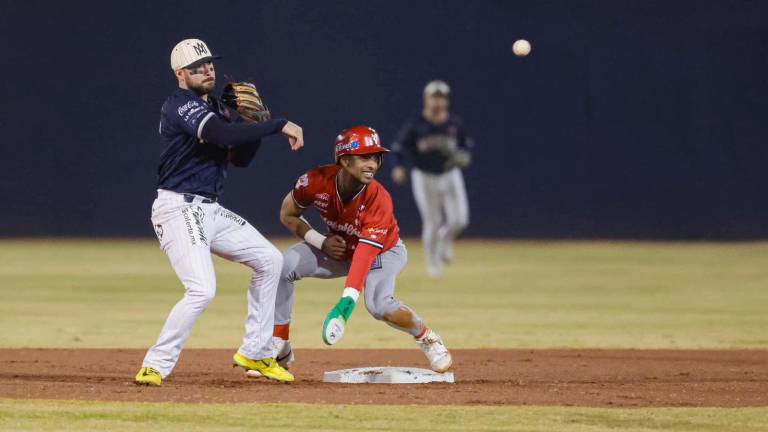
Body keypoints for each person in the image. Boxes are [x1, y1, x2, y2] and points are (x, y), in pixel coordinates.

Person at [134, 38, 303, 386]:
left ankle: (256, 351)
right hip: (178, 208)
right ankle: (155, 364)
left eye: (210, 63)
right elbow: (221, 133)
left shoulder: (216, 108)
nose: (207, 70)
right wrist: (276, 124)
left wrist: (250, 124)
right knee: (202, 290)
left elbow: (240, 157)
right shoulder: (179, 105)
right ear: (181, 74)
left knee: (270, 261)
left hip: (210, 210)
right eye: (198, 67)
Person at [271, 126, 452, 373]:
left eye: (376, 157)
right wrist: (320, 241)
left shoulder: (379, 199)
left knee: (379, 305)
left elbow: (364, 257)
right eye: (365, 157)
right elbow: (287, 213)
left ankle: (427, 337)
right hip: (342, 249)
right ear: (344, 160)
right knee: (282, 265)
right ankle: (280, 344)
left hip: (382, 253)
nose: (373, 164)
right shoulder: (315, 181)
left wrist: (344, 307)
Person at [390, 80, 472, 278]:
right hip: (424, 176)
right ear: (426, 100)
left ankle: (446, 238)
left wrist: (464, 154)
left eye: (441, 97)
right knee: (432, 221)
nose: (437, 102)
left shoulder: (454, 124)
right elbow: (399, 148)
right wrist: (398, 167)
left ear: (446, 101)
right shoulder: (416, 125)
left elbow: (466, 145)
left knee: (460, 219)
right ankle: (433, 265)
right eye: (434, 97)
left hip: (450, 174)